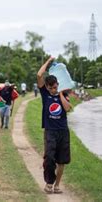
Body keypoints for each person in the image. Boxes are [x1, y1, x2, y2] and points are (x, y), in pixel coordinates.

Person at [37, 56, 72, 194]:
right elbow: (39, 75)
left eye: (55, 86)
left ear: (58, 84)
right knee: (49, 157)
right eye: (51, 88)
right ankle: (49, 182)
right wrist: (48, 61)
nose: (53, 89)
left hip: (63, 131)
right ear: (46, 87)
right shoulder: (45, 95)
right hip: (50, 130)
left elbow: (68, 108)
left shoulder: (63, 93)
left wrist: (61, 93)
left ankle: (56, 185)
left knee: (61, 161)